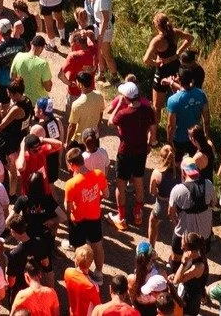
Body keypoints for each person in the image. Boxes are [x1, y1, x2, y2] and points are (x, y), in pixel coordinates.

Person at [104, 77, 156, 231]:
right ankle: (138, 213)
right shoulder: (147, 110)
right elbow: (153, 128)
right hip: (141, 151)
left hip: (125, 151)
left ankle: (121, 217)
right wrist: (151, 142)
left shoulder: (124, 113)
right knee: (139, 181)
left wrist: (119, 104)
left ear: (126, 98)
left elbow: (110, 122)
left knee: (120, 183)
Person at [63, 148, 107, 274]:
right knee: (97, 246)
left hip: (78, 219)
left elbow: (68, 208)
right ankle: (99, 273)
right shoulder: (98, 174)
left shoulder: (71, 184)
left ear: (72, 165)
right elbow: (106, 194)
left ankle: (82, 274)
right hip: (94, 216)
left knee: (79, 250)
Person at [169, 161, 215, 258]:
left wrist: (175, 222)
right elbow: (213, 203)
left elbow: (171, 212)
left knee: (176, 259)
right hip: (204, 236)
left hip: (183, 236)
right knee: (200, 260)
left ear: (183, 172)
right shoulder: (209, 184)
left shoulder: (177, 190)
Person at [165, 68, 208, 158]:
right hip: (195, 137)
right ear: (192, 80)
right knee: (194, 162)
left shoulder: (173, 100)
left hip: (179, 138)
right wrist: (206, 135)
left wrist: (169, 142)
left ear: (179, 80)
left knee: (177, 162)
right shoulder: (201, 94)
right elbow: (206, 118)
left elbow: (171, 125)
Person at [148, 145, 180, 249]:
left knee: (153, 222)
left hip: (162, 204)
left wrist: (158, 191)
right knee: (176, 228)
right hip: (175, 206)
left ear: (161, 158)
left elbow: (152, 192)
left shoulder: (157, 173)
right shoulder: (180, 171)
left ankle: (151, 249)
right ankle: (177, 251)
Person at [10, 35, 52, 106]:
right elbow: (48, 88)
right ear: (42, 48)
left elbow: (12, 77)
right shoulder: (43, 64)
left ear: (30, 43)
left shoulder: (18, 56)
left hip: (23, 101)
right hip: (39, 104)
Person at [173, 233, 209, 316]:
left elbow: (176, 281)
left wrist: (183, 263)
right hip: (185, 292)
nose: (181, 247)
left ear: (191, 250)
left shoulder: (198, 266)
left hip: (190, 301)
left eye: (184, 246)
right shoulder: (193, 256)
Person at [66, 71, 105, 144]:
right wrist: (97, 126)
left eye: (77, 82)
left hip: (80, 139)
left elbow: (72, 126)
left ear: (81, 85)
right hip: (94, 136)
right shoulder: (99, 96)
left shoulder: (76, 104)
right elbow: (101, 113)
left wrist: (67, 142)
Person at [63, 245, 100, 316]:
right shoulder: (92, 286)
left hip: (73, 311)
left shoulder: (68, 272)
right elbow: (98, 306)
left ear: (76, 260)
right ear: (91, 262)